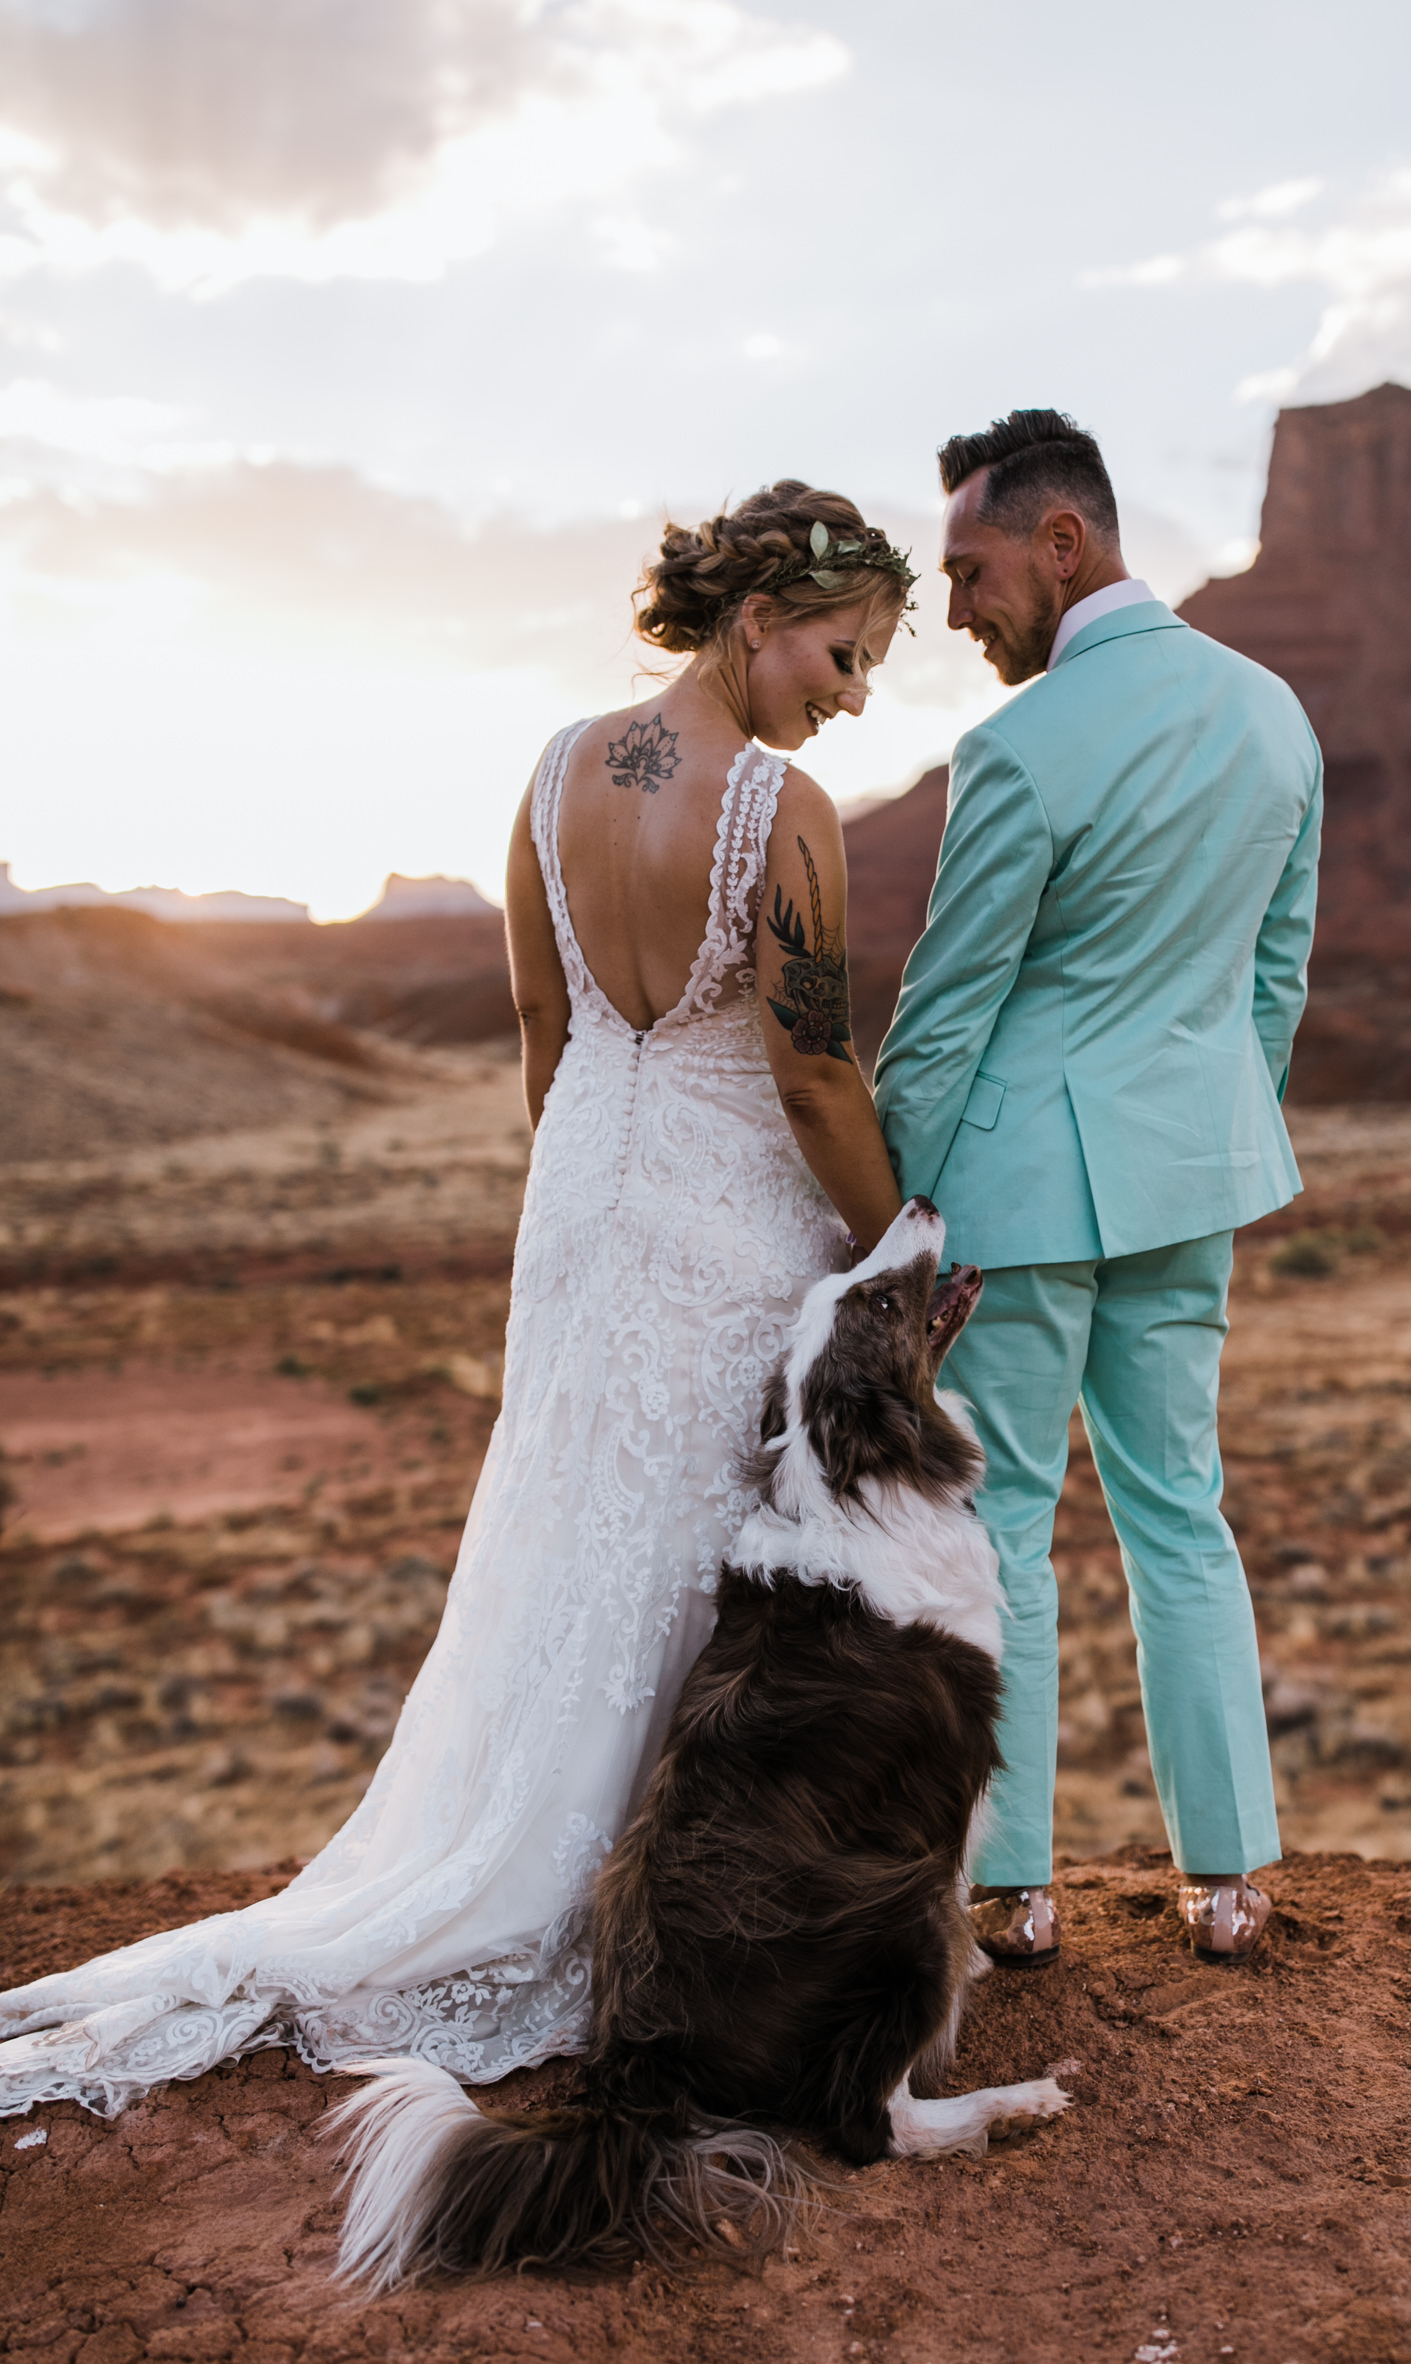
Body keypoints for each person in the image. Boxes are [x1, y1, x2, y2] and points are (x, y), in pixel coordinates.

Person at [0, 483, 910, 2118]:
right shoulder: (782, 811)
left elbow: (540, 1027)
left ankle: (524, 1847)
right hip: (728, 1220)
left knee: (574, 1528)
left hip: (581, 1193)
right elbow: (817, 1074)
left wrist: (578, 1209)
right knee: (691, 1546)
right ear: (762, 618)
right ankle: (636, 1901)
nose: (855, 697)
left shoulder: (556, 771)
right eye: (846, 656)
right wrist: (904, 1242)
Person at [874, 409, 1321, 1966]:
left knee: (1009, 1520)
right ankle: (1229, 1879)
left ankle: (1017, 1889)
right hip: (1191, 1179)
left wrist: (899, 1217)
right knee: (1178, 1508)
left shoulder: (1017, 748)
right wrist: (1205, 1130)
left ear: (1064, 545)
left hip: (1018, 1193)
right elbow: (1275, 980)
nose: (957, 609)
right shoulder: (1275, 718)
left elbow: (945, 1013)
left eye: (971, 568)